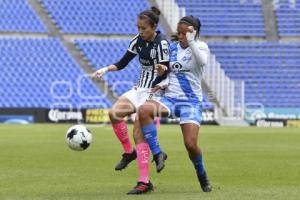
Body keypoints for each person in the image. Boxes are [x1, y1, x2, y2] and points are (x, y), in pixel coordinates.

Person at [92, 7, 169, 194]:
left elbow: (167, 70)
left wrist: (161, 70)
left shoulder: (162, 44)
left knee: (138, 132)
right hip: (138, 88)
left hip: (155, 91)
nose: (140, 31)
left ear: (153, 27)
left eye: (143, 28)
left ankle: (144, 182)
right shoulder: (137, 41)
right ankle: (129, 152)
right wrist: (104, 69)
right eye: (138, 27)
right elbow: (122, 62)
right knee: (114, 113)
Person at [137, 15, 212, 192]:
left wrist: (192, 41)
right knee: (143, 110)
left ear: (194, 33)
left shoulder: (201, 47)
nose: (180, 36)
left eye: (184, 34)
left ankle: (201, 174)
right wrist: (161, 75)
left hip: (190, 102)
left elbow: (202, 62)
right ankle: (158, 153)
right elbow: (167, 74)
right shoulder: (171, 48)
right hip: (169, 99)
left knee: (191, 145)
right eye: (178, 33)